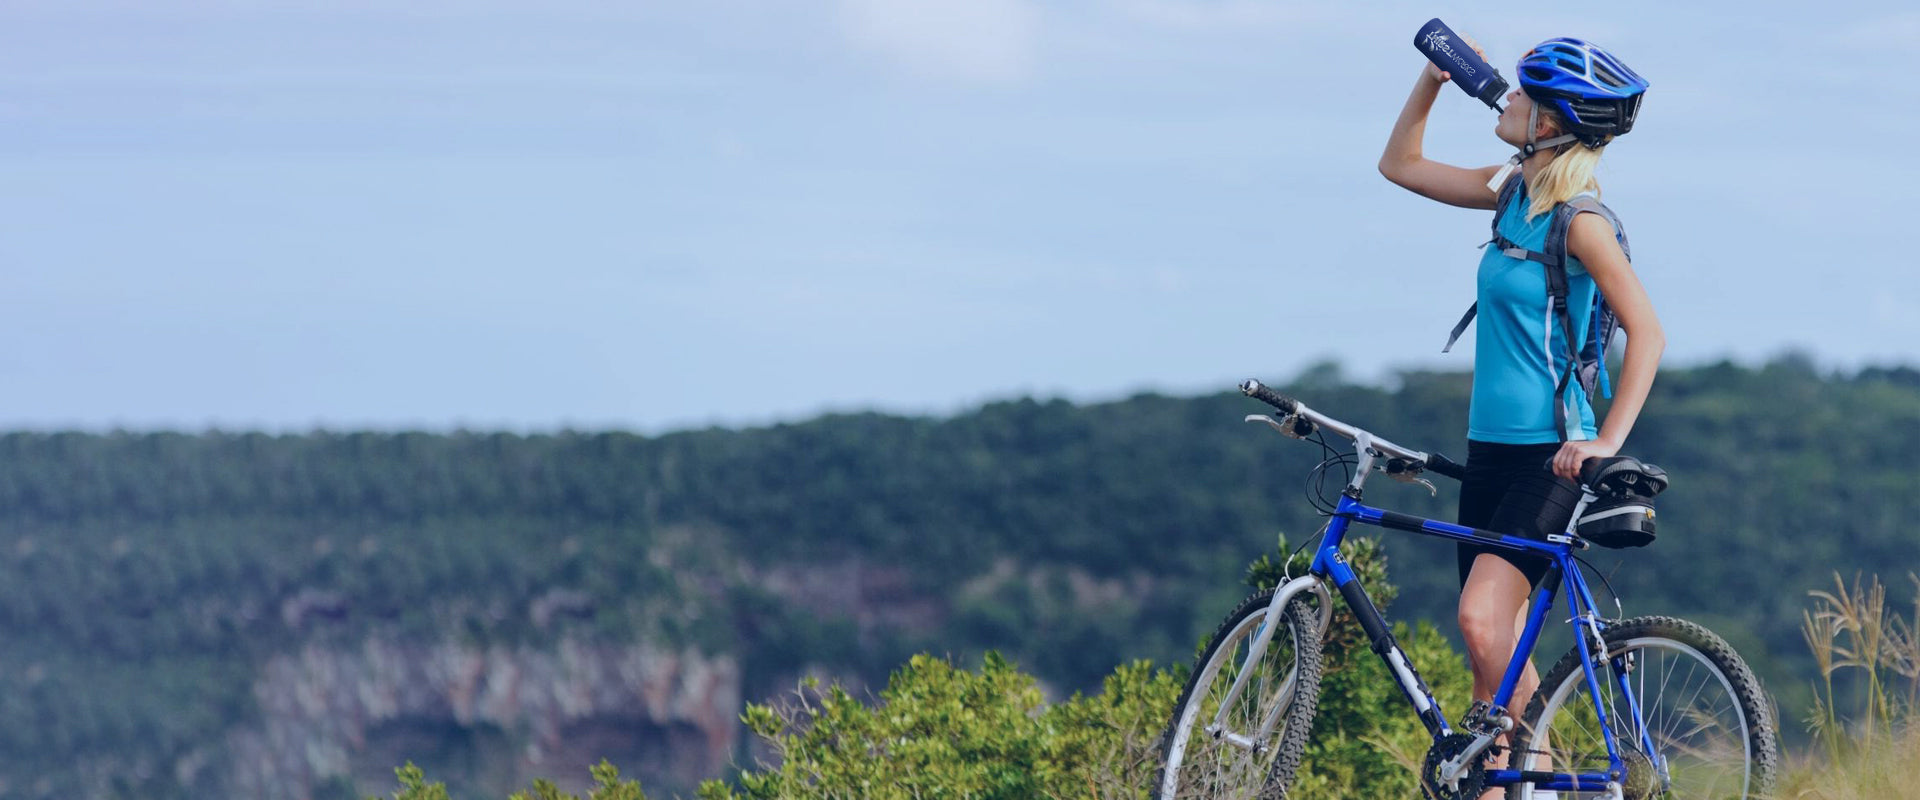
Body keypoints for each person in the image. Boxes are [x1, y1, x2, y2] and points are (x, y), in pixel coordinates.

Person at [1378, 35, 1665, 798]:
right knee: (1496, 656)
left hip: (1553, 456)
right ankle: (1515, 787)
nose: (1505, 97)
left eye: (1523, 94)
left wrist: (1604, 441)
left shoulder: (1581, 222)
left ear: (1551, 124)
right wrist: (1432, 80)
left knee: (1480, 622)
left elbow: (1649, 331)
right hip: (1491, 453)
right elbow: (1399, 167)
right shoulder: (1513, 193)